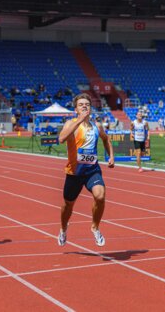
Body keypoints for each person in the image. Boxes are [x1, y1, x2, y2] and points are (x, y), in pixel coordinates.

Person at [57, 93, 115, 247]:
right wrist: (80, 121)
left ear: (91, 108)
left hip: (92, 170)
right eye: (81, 104)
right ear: (76, 109)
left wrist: (111, 156)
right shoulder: (71, 123)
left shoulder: (97, 126)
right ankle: (63, 228)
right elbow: (61, 139)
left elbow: (106, 139)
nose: (84, 106)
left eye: (87, 104)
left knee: (100, 195)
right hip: (74, 172)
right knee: (68, 205)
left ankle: (95, 227)